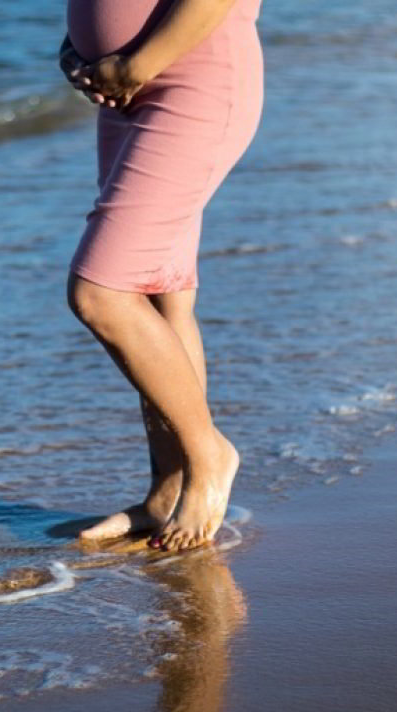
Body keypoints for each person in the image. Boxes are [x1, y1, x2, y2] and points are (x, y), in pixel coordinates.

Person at [57, 0, 264, 551]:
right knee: (160, 295)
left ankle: (208, 456)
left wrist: (133, 63)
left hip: (187, 83)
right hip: (128, 92)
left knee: (102, 292)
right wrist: (76, 48)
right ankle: (164, 496)